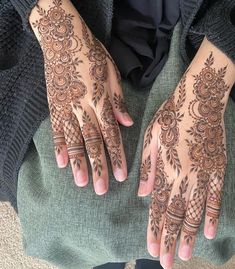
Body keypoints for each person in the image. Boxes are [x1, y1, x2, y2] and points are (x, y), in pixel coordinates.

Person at [1, 0, 235, 269]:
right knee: (73, 207)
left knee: (202, 204)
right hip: (72, 13)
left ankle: (151, 255)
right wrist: (58, 27)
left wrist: (209, 87)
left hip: (206, 28)